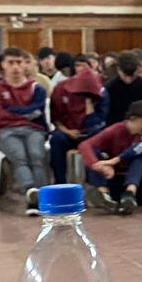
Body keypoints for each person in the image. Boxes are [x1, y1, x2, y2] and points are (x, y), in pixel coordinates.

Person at [0, 46, 50, 209]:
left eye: (19, 62)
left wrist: (11, 111)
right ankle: (30, 193)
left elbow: (38, 111)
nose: (15, 67)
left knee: (36, 155)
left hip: (34, 129)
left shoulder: (36, 89)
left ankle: (42, 197)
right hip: (7, 132)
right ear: (3, 65)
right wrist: (25, 114)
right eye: (11, 62)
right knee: (20, 156)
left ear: (25, 65)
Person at [78, 99, 142, 215]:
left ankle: (129, 195)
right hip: (115, 178)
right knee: (94, 156)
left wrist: (113, 161)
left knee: (138, 158)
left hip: (139, 181)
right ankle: (105, 196)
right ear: (132, 119)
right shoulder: (117, 129)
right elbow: (85, 145)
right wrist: (100, 166)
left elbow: (138, 149)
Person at [45, 56, 105, 188]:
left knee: (94, 142)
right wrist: (68, 131)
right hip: (68, 132)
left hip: (91, 133)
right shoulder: (61, 89)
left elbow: (98, 124)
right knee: (56, 139)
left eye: (84, 66)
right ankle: (60, 183)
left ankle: (96, 187)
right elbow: (56, 119)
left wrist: (89, 103)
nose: (81, 69)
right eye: (77, 66)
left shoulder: (100, 91)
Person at [104, 52, 142, 125]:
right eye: (125, 76)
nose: (128, 80)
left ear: (138, 70)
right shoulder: (111, 87)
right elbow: (108, 115)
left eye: (132, 76)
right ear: (118, 70)